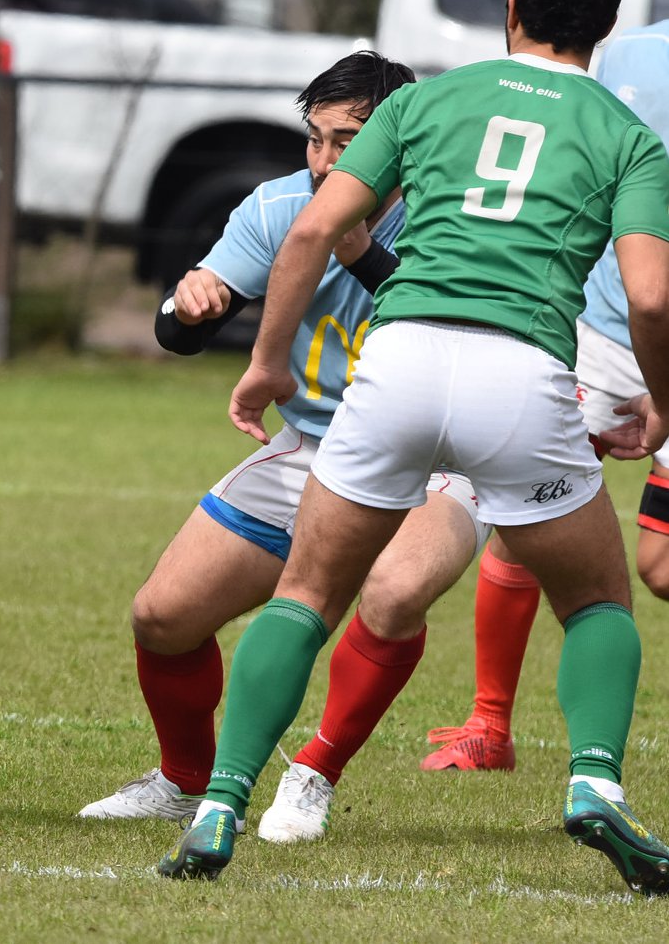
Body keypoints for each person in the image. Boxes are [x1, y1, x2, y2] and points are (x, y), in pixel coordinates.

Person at [155, 0, 669, 894]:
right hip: (520, 379)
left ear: (508, 6)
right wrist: (662, 409)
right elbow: (648, 296)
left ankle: (223, 796)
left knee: (306, 591)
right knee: (598, 596)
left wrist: (266, 361)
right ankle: (594, 780)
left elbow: (311, 229)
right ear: (604, 23)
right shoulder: (625, 134)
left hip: (395, 361)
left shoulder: (430, 100)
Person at [80, 51, 487, 844]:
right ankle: (181, 781)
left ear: (402, 140)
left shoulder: (451, 211)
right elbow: (177, 329)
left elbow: (439, 316)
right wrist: (194, 303)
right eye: (316, 139)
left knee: (395, 595)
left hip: (438, 454)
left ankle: (314, 775)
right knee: (162, 616)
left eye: (351, 140)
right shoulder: (278, 206)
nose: (329, 160)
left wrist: (357, 246)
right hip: (316, 445)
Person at [423, 16, 669, 773]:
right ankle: (489, 725)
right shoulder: (631, 53)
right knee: (523, 514)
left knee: (658, 564)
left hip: (647, 328)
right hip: (603, 329)